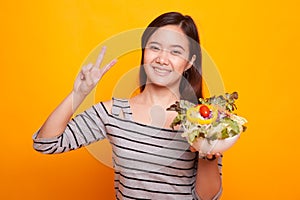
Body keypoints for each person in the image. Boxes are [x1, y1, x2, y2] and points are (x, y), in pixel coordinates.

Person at [33, 12, 223, 200]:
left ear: (190, 62)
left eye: (175, 52)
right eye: (155, 47)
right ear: (144, 51)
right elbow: (46, 143)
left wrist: (208, 155)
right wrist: (79, 93)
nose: (162, 59)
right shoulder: (114, 113)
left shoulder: (202, 120)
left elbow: (207, 198)